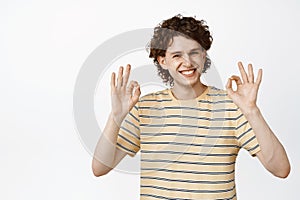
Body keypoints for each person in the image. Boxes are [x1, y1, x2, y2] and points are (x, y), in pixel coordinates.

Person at [92, 14, 290, 199]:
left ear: (204, 56)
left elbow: (281, 169)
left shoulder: (232, 106)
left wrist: (252, 111)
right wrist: (116, 117)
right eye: (177, 55)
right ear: (163, 61)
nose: (187, 62)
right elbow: (100, 168)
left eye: (194, 52)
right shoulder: (145, 108)